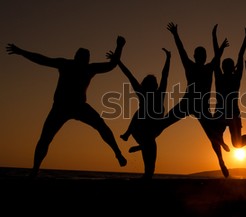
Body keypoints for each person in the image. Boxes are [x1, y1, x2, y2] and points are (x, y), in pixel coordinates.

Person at [6, 36, 127, 177]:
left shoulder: (88, 68)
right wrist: (21, 52)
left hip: (79, 106)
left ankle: (118, 154)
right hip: (61, 107)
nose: (83, 59)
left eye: (85, 57)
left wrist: (119, 47)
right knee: (46, 137)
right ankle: (35, 169)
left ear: (87, 59)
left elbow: (111, 65)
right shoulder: (66, 64)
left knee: (101, 126)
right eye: (81, 57)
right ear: (76, 57)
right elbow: (42, 60)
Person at [160, 22, 230, 177]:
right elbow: (181, 50)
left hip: (199, 107)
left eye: (202, 55)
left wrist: (221, 48)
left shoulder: (206, 67)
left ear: (203, 57)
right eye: (200, 55)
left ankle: (221, 162)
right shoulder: (193, 66)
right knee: (164, 122)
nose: (201, 57)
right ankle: (148, 138)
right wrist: (175, 35)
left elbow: (215, 57)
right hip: (188, 103)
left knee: (213, 136)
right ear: (197, 57)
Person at [109, 47, 171, 179]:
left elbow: (164, 75)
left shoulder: (155, 94)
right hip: (144, 131)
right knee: (149, 157)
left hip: (152, 129)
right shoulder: (146, 94)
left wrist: (168, 59)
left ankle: (139, 146)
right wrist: (118, 61)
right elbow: (130, 76)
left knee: (149, 156)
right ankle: (141, 149)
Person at [213, 25, 246, 149]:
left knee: (237, 144)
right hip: (221, 112)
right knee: (217, 137)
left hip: (232, 113)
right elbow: (218, 58)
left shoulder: (234, 78)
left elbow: (240, 56)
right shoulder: (221, 77)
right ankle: (221, 140)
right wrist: (214, 37)